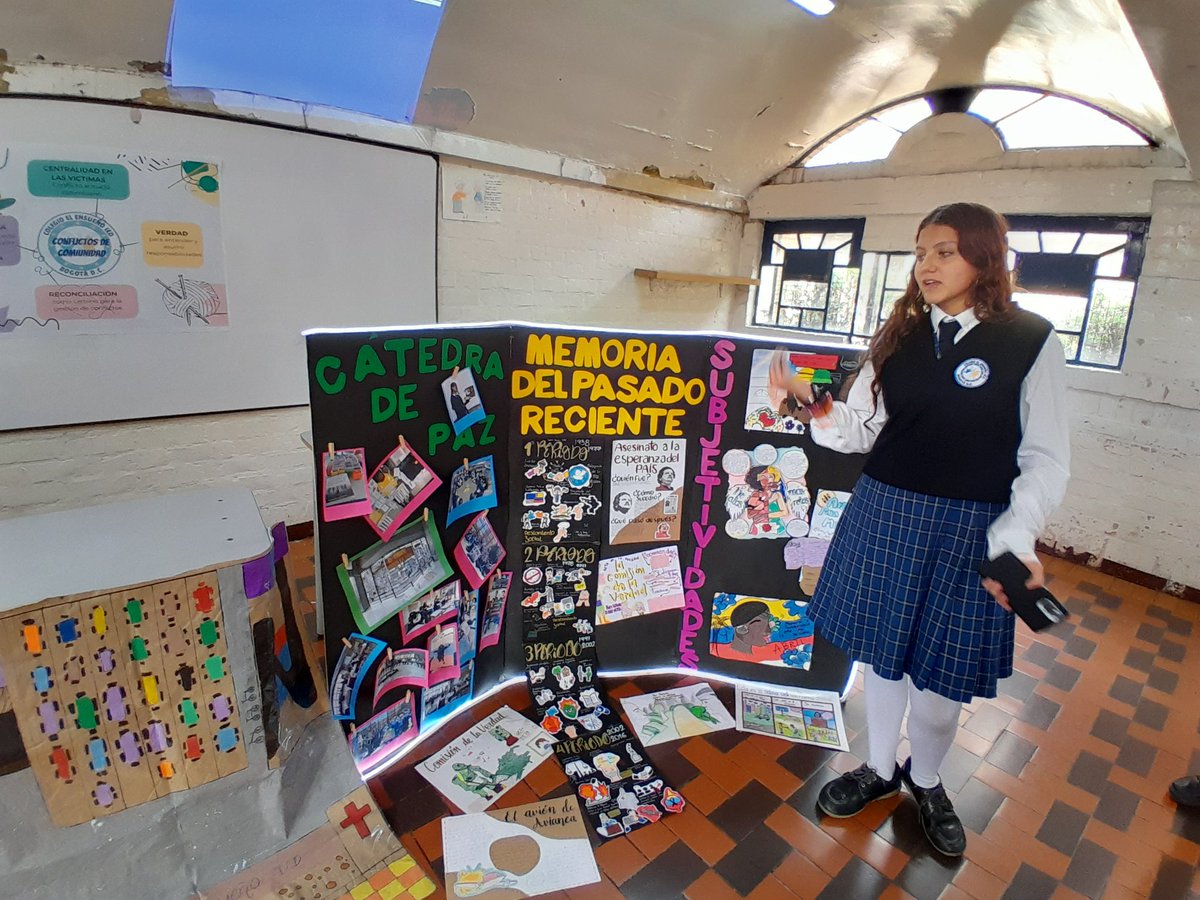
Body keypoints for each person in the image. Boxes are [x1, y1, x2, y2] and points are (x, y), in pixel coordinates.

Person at [769, 202, 1070, 857]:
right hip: (888, 514)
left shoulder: (1032, 339)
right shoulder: (898, 335)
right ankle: (879, 768)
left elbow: (1045, 456)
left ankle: (925, 779)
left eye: (945, 251)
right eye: (921, 251)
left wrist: (1017, 538)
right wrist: (811, 404)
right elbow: (861, 431)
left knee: (940, 681)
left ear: (984, 258)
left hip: (973, 529)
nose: (927, 265)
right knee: (884, 655)